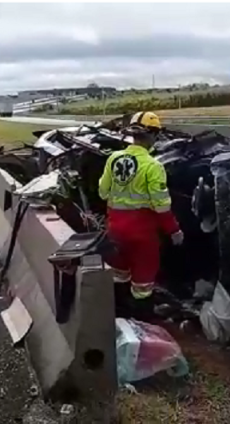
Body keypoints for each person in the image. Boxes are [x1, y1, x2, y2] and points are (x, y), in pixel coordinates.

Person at [98, 111, 184, 321]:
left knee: (119, 274)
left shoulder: (113, 158)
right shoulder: (153, 166)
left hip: (115, 230)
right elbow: (161, 205)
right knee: (143, 283)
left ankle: (118, 317)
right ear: (153, 135)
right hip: (142, 235)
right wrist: (174, 230)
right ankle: (142, 321)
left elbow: (102, 192)